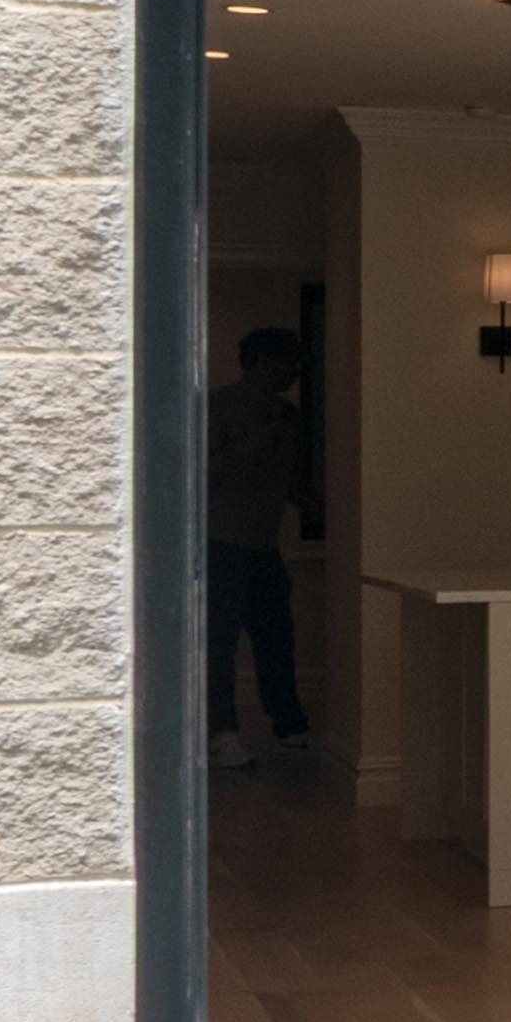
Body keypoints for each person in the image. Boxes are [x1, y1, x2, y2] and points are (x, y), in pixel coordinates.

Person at [204, 327, 318, 765]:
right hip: (220, 544)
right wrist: (254, 442)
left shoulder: (289, 418)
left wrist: (311, 501)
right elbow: (201, 470)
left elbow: (286, 478)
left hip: (265, 547)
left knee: (277, 638)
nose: (294, 372)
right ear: (263, 362)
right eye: (289, 362)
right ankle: (222, 734)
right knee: (219, 642)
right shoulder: (217, 407)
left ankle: (289, 726)